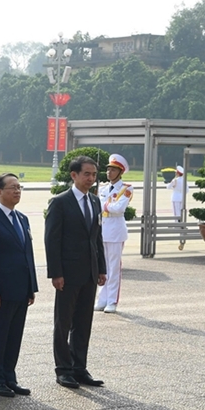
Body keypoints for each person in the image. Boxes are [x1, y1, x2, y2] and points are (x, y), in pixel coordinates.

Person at [45, 156, 107, 389]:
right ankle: (63, 370)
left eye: (94, 175)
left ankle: (80, 367)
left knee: (83, 323)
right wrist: (56, 273)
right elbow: (52, 240)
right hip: (68, 273)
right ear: (74, 175)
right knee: (63, 323)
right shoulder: (60, 202)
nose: (91, 179)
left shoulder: (95, 201)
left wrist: (101, 268)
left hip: (89, 272)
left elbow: (96, 238)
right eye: (87, 174)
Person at [0, 174, 38, 397]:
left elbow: (27, 254)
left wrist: (31, 286)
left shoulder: (22, 218)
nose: (17, 191)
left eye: (19, 187)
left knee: (14, 335)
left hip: (21, 289)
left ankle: (9, 377)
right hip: (2, 291)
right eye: (12, 188)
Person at [95, 154, 133, 314]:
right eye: (108, 169)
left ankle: (112, 301)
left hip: (116, 232)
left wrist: (104, 205)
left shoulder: (126, 188)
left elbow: (119, 209)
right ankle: (102, 299)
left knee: (114, 268)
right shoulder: (103, 188)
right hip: (102, 230)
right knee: (102, 268)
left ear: (120, 172)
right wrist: (108, 205)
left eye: (113, 170)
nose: (109, 173)